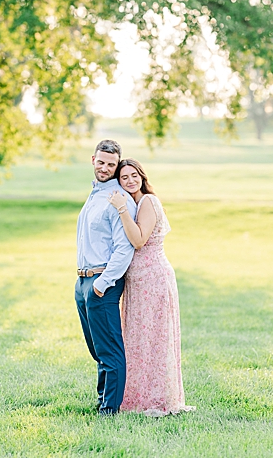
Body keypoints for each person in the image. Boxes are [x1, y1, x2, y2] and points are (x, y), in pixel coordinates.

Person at [107, 159, 194, 416]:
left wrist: (122, 209)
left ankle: (156, 398)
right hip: (139, 281)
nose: (130, 180)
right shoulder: (136, 202)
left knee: (153, 339)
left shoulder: (147, 202)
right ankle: (137, 395)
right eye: (125, 178)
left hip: (153, 279)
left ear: (142, 177)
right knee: (138, 339)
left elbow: (138, 240)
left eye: (134, 175)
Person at [75, 139, 137, 415]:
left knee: (110, 350)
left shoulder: (118, 198)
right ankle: (102, 400)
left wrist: (101, 284)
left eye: (111, 164)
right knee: (96, 349)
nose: (105, 168)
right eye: (101, 162)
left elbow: (124, 249)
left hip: (104, 281)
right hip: (83, 281)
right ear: (93, 160)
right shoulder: (95, 194)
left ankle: (109, 409)